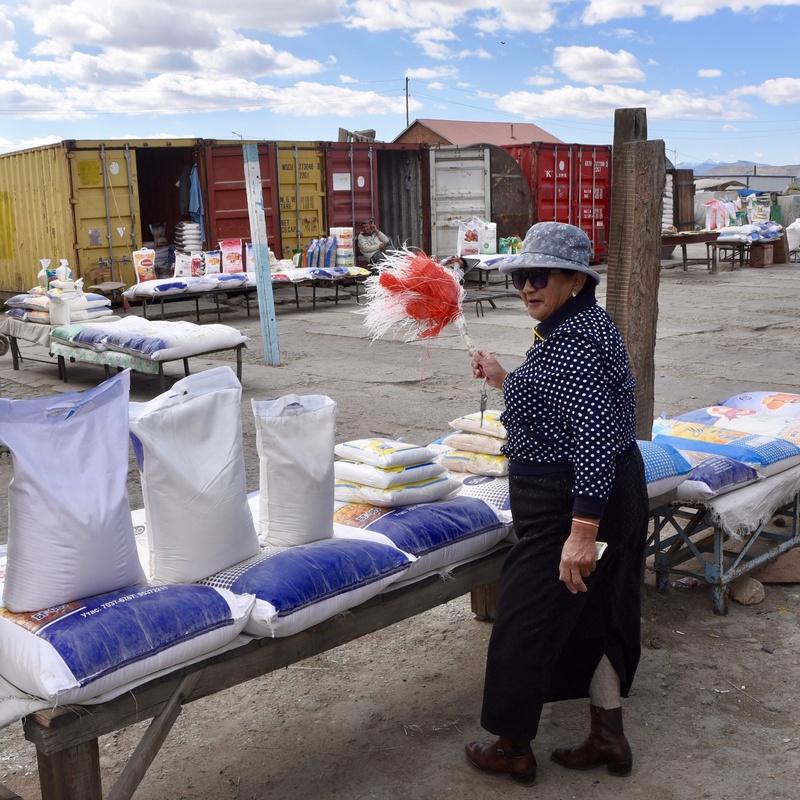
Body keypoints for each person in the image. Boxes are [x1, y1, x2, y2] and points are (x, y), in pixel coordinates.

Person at [465, 221, 649, 787]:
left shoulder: (571, 344)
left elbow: (592, 434)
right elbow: (560, 401)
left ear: (574, 279)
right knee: (596, 613)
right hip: (609, 488)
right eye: (520, 276)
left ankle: (512, 746)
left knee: (525, 619)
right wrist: (503, 378)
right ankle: (608, 734)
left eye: (539, 276)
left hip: (571, 499)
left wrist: (580, 532)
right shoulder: (580, 325)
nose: (526, 287)